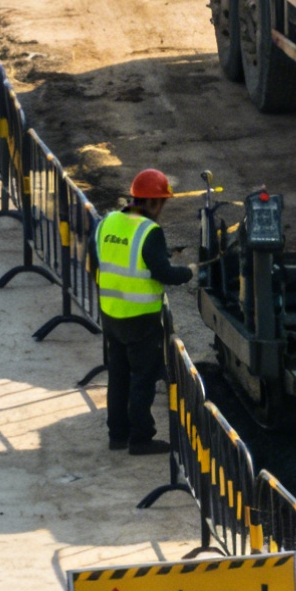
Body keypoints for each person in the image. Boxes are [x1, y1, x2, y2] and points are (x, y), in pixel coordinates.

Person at [96, 169, 195, 456]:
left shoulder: (109, 221)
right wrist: (189, 272)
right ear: (152, 202)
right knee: (142, 378)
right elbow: (163, 273)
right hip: (141, 318)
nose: (161, 209)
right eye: (161, 203)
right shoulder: (149, 231)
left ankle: (117, 435)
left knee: (118, 375)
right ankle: (141, 439)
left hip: (111, 314)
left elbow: (103, 258)